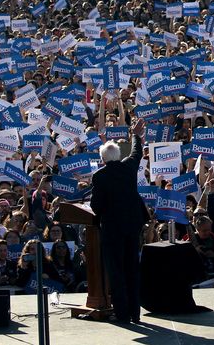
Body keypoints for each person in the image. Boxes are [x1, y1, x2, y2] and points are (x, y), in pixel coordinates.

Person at [89, 119, 147, 323]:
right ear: (118, 156)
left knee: (117, 271)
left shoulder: (100, 176)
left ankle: (122, 314)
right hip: (132, 226)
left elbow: (96, 207)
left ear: (103, 159)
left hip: (113, 229)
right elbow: (136, 153)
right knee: (132, 268)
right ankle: (135, 313)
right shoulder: (129, 167)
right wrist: (135, 136)